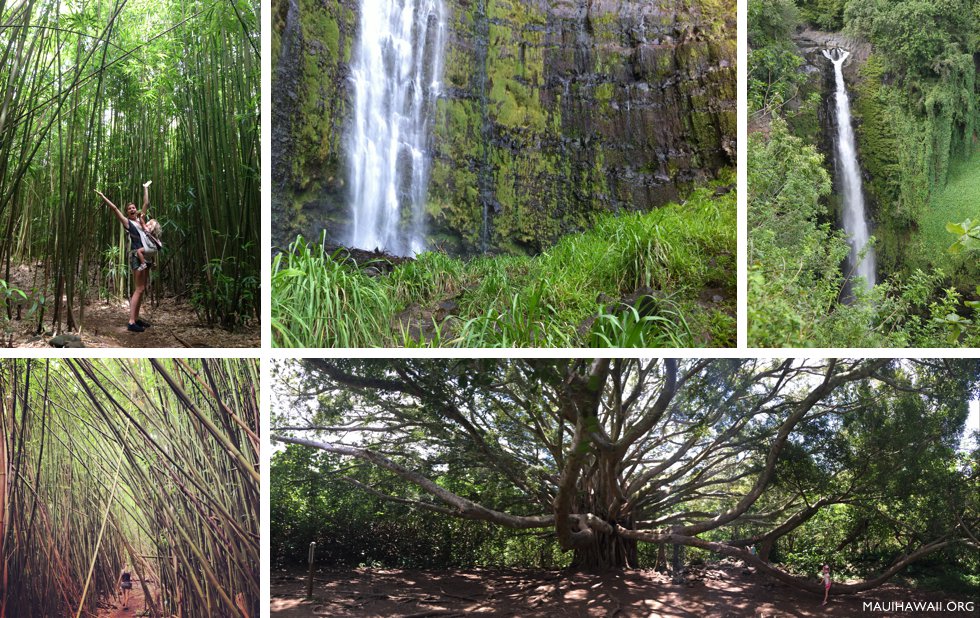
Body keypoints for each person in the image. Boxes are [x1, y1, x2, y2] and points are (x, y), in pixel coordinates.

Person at [95, 180, 154, 332]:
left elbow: (146, 202)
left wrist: (145, 188)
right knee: (139, 288)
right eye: (129, 209)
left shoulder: (141, 221)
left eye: (134, 207)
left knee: (142, 288)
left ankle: (136, 318)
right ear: (127, 212)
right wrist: (102, 196)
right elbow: (114, 208)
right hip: (136, 256)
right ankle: (131, 322)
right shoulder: (127, 223)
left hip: (145, 255)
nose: (132, 209)